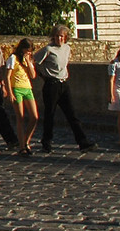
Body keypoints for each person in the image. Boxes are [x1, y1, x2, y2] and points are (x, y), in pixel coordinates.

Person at [34, 23, 95, 153]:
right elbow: (34, 62)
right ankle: (47, 141)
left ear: (65, 37)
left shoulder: (67, 48)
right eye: (56, 36)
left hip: (63, 84)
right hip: (51, 84)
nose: (59, 39)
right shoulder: (48, 49)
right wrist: (43, 76)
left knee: (72, 114)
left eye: (61, 36)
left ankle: (82, 141)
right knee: (50, 114)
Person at [7, 38, 39, 156]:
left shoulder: (28, 60)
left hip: (27, 88)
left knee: (34, 117)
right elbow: (7, 76)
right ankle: (21, 146)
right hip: (17, 89)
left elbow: (33, 75)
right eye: (27, 50)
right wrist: (9, 92)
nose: (29, 53)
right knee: (20, 117)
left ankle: (26, 140)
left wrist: (28, 62)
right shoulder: (13, 58)